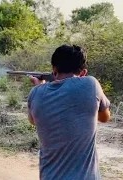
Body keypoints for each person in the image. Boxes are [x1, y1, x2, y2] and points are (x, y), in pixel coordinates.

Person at [27, 44, 111, 180]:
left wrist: (39, 87)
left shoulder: (35, 93)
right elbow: (105, 117)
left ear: (54, 69)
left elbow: (34, 121)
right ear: (83, 72)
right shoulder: (91, 84)